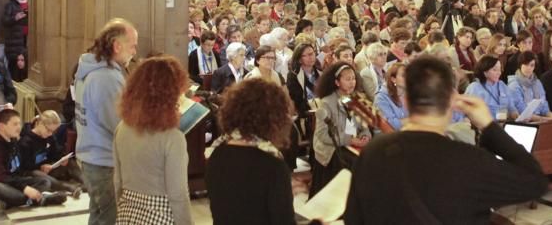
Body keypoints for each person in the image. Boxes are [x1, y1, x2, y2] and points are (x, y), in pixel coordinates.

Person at [344, 56, 549, 224]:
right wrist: (488, 126)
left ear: (406, 99)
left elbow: (354, 219)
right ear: (452, 98)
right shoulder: (468, 159)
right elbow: (535, 181)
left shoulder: (373, 153)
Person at [206, 78, 307, 225]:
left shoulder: (216, 154)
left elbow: (239, 202)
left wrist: (281, 191)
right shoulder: (272, 165)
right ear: (274, 118)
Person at [112, 55, 192, 225]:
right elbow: (178, 194)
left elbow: (117, 181)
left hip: (128, 213)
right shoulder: (173, 138)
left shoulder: (122, 127)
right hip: (161, 216)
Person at [74, 18, 138, 225]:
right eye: (132, 46)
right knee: (111, 219)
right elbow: (119, 124)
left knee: (98, 215)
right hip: (104, 161)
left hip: (91, 157)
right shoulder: (106, 77)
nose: (134, 52)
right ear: (117, 46)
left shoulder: (90, 68)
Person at [0, 109, 68, 218]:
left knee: (44, 182)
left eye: (19, 123)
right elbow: (1, 176)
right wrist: (25, 188)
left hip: (13, 181)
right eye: (14, 124)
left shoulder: (13, 140)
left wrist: (25, 183)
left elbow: (16, 171)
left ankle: (14, 202)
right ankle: (41, 199)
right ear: (2, 126)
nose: (19, 127)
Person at [311, 62, 370, 195]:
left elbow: (364, 126)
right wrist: (349, 140)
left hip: (352, 143)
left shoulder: (355, 100)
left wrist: (365, 135)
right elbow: (322, 135)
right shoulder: (326, 102)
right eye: (347, 79)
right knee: (353, 162)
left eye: (353, 78)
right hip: (331, 148)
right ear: (337, 82)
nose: (352, 82)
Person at [19, 110, 84, 191]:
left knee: (70, 162)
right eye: (48, 130)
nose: (50, 133)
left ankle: (85, 183)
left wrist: (62, 158)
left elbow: (56, 151)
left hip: (49, 167)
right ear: (40, 124)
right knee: (38, 174)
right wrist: (40, 167)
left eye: (53, 131)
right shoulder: (26, 141)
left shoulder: (49, 136)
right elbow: (25, 167)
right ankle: (68, 188)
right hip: (33, 172)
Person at [506, 51, 552, 122]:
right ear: (520, 65)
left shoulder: (537, 82)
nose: (529, 68)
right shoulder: (514, 85)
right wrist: (545, 119)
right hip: (523, 122)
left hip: (540, 119)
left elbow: (544, 108)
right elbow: (522, 112)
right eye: (526, 65)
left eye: (532, 65)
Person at [465, 55, 516, 121]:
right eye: (494, 70)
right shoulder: (474, 88)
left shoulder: (502, 85)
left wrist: (515, 114)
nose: (499, 73)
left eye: (499, 69)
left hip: (503, 124)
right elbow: (468, 113)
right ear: (484, 71)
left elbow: (511, 107)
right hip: (485, 127)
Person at [0, 0, 30, 65]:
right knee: (15, 66)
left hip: (29, 39)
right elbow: (4, 21)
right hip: (15, 41)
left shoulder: (31, 3)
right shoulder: (11, 5)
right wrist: (15, 18)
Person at [374, 62, 409, 130]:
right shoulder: (381, 98)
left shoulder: (407, 92)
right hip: (388, 136)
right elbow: (392, 124)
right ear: (393, 79)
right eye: (404, 75)